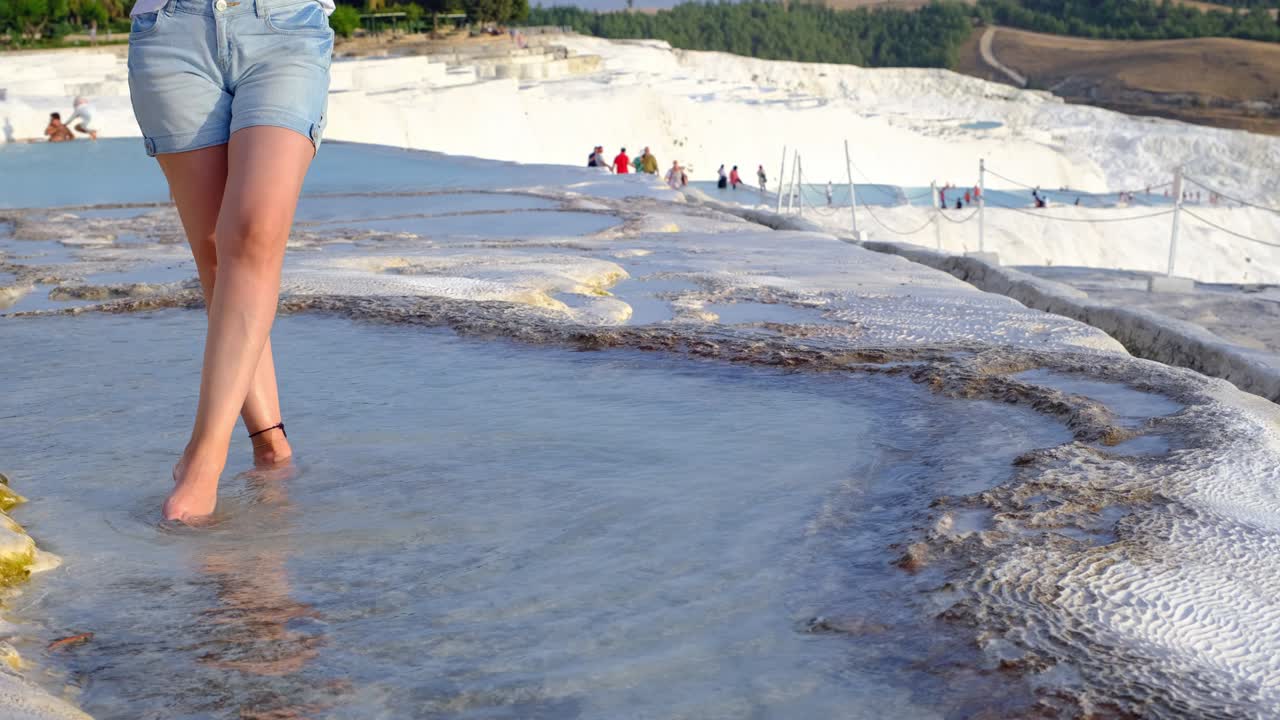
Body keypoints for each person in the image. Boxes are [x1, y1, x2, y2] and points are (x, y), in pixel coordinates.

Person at [127, 0, 335, 521]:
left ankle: (202, 459)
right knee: (219, 259)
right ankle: (271, 446)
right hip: (170, 33)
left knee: (254, 232)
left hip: (284, 27)